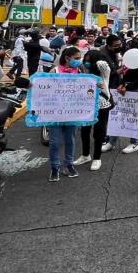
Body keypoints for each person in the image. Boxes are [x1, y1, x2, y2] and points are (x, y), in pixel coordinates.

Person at [47, 47, 82, 181]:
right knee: (54, 142)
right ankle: (55, 167)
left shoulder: (79, 71)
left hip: (72, 112)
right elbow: (44, 88)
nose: (79, 61)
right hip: (55, 112)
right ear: (67, 58)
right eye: (77, 58)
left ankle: (69, 165)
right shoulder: (54, 71)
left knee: (70, 140)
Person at [74, 49, 113, 171]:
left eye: (89, 61)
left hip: (102, 104)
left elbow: (104, 65)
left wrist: (97, 59)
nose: (86, 63)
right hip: (86, 104)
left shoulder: (103, 72)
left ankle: (97, 158)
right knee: (85, 130)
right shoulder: (83, 70)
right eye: (85, 60)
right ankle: (85, 155)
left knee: (99, 132)